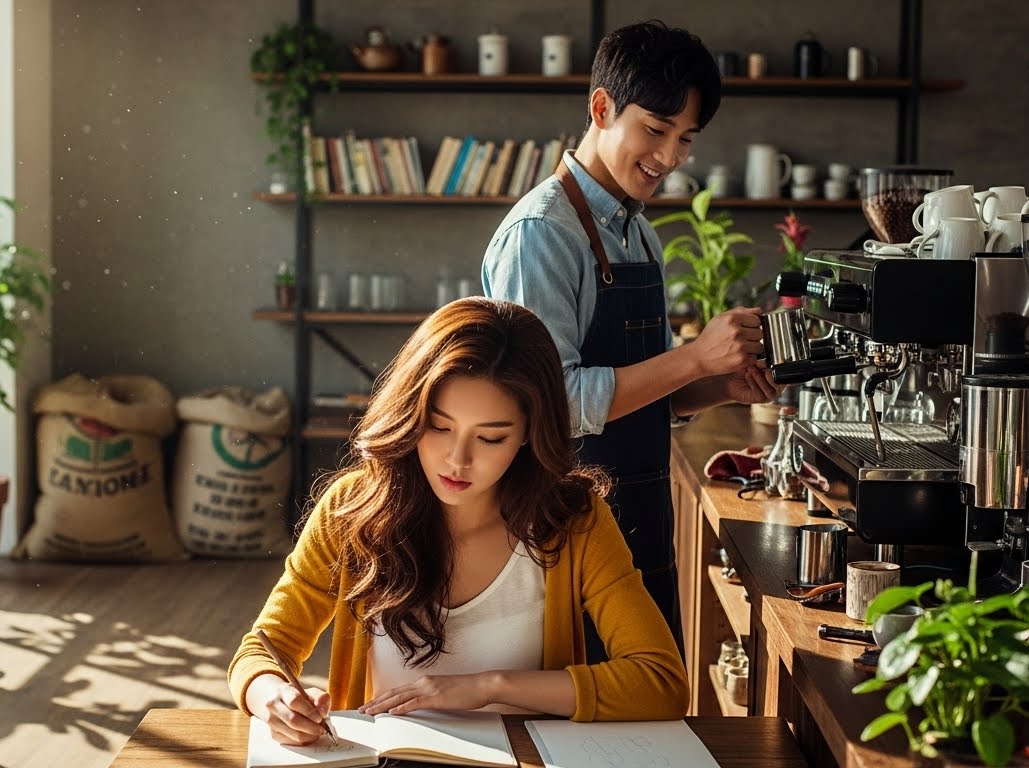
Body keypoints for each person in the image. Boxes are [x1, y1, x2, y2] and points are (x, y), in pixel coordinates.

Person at [227, 297, 689, 746]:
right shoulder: (352, 510)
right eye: (440, 427)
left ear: (528, 433)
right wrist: (274, 699)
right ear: (411, 414)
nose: (457, 460)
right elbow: (262, 650)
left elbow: (660, 681)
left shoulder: (573, 521)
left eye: (490, 438)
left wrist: (490, 686)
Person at [482, 21, 780, 652]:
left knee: (649, 692)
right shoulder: (543, 233)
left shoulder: (637, 233)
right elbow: (552, 405)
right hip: (561, 531)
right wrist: (694, 357)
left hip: (639, 519)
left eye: (686, 138)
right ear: (601, 109)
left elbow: (645, 393)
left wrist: (718, 385)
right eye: (655, 129)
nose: (671, 157)